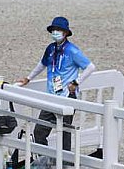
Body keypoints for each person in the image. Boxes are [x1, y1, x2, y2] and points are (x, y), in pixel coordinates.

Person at [17, 16, 96, 154]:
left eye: (58, 30)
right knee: (40, 131)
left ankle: (65, 162)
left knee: (64, 131)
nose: (55, 33)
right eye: (54, 30)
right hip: (52, 95)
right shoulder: (50, 48)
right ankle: (45, 159)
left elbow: (90, 67)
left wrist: (76, 82)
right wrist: (28, 78)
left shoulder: (72, 50)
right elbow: (42, 64)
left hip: (66, 97)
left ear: (65, 33)